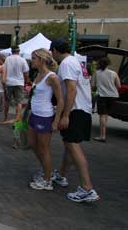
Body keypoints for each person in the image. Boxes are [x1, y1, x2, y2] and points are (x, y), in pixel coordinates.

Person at [50, 39, 100, 203]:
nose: (51, 55)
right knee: (70, 145)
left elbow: (71, 89)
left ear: (56, 50)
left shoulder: (66, 63)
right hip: (83, 109)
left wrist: (65, 115)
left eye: (52, 51)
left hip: (75, 110)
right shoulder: (76, 61)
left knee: (73, 146)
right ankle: (61, 175)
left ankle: (87, 188)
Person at [27, 49, 64, 191]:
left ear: (42, 59)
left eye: (34, 58)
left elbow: (60, 100)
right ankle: (45, 170)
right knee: (32, 144)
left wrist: (56, 121)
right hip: (34, 114)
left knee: (44, 149)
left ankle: (47, 180)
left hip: (45, 115)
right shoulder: (38, 75)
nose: (32, 61)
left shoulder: (52, 77)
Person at [91, 57, 120, 142]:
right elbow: (119, 86)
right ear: (108, 64)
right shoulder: (114, 73)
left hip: (102, 96)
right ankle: (104, 132)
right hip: (113, 96)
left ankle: (102, 136)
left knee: (102, 116)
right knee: (106, 114)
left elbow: (92, 86)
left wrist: (97, 87)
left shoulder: (96, 73)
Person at [2, 46, 30, 124]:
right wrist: (25, 81)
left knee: (7, 100)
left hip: (9, 82)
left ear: (11, 51)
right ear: (19, 51)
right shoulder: (22, 59)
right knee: (19, 102)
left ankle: (5, 118)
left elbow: (4, 70)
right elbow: (26, 73)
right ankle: (17, 119)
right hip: (19, 82)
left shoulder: (7, 59)